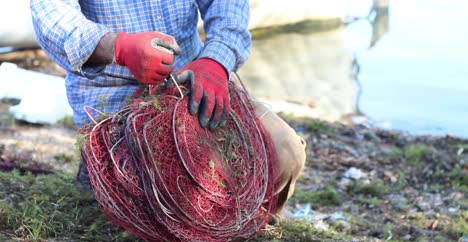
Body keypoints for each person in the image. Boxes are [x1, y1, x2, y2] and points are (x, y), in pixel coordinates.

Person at [30, 0, 305, 218]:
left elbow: (227, 4)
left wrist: (216, 60)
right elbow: (52, 15)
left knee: (286, 151)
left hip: (196, 77)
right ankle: (100, 178)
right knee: (174, 194)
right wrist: (119, 47)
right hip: (117, 93)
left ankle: (252, 213)